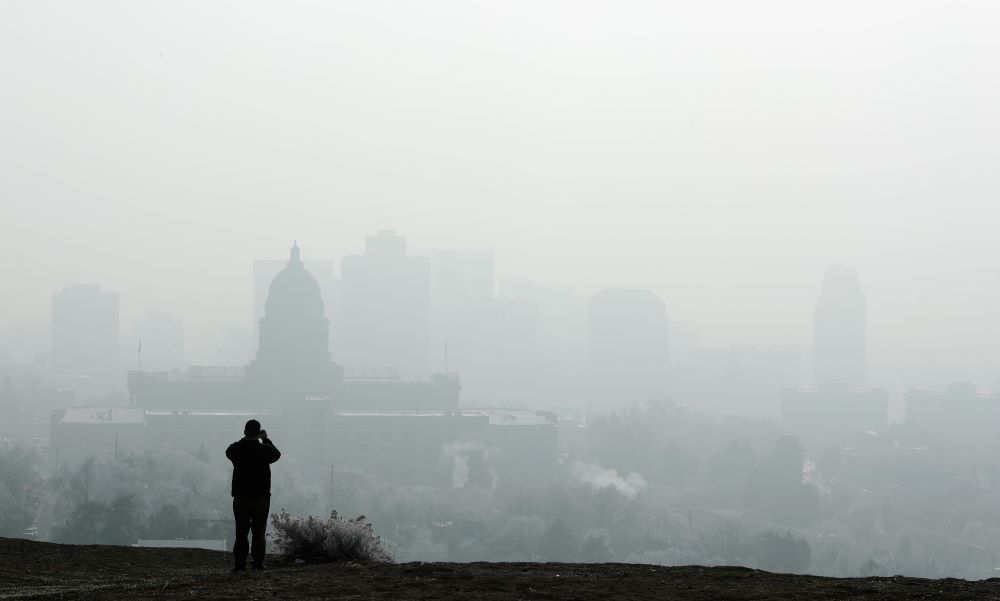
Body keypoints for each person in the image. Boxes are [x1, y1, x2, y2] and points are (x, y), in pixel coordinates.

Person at [226, 419, 281, 573]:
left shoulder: (236, 449)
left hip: (241, 497)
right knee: (258, 532)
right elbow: (277, 454)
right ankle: (258, 563)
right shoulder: (264, 450)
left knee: (241, 532)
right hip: (260, 497)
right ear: (258, 433)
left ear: (244, 432)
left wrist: (245, 439)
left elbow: (229, 450)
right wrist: (265, 439)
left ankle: (240, 564)